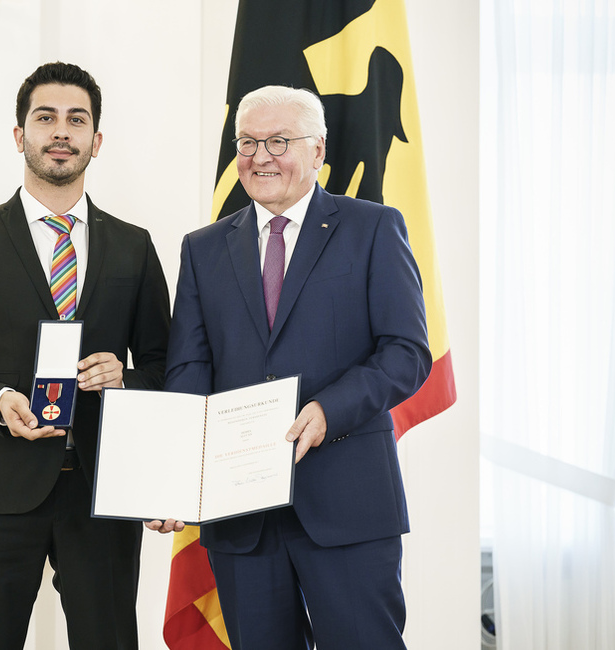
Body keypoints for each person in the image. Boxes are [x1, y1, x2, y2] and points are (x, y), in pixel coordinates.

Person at [146, 85, 432, 649]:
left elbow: (407, 352)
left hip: (346, 503)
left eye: (279, 140)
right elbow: (189, 369)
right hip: (241, 515)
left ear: (319, 150)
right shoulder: (202, 249)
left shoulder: (373, 228)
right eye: (247, 143)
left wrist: (331, 408)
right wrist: (174, 476)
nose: (260, 156)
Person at [0, 61, 171, 650]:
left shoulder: (134, 246)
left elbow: (166, 366)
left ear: (96, 141)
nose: (62, 131)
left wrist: (126, 377)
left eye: (76, 119)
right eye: (46, 117)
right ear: (20, 135)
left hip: (103, 494)